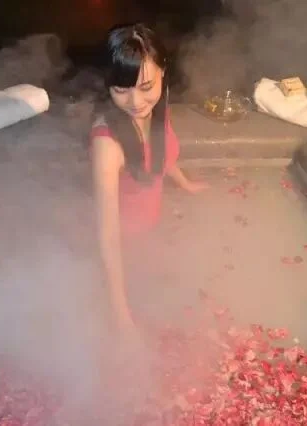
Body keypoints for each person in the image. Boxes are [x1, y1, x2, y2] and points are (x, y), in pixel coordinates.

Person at [90, 23, 208, 332]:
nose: (136, 102)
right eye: (121, 90)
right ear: (107, 85)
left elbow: (161, 153)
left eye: (145, 87)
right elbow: (107, 236)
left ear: (163, 72)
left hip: (152, 230)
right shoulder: (107, 144)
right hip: (125, 250)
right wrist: (122, 318)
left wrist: (184, 183)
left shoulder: (156, 110)